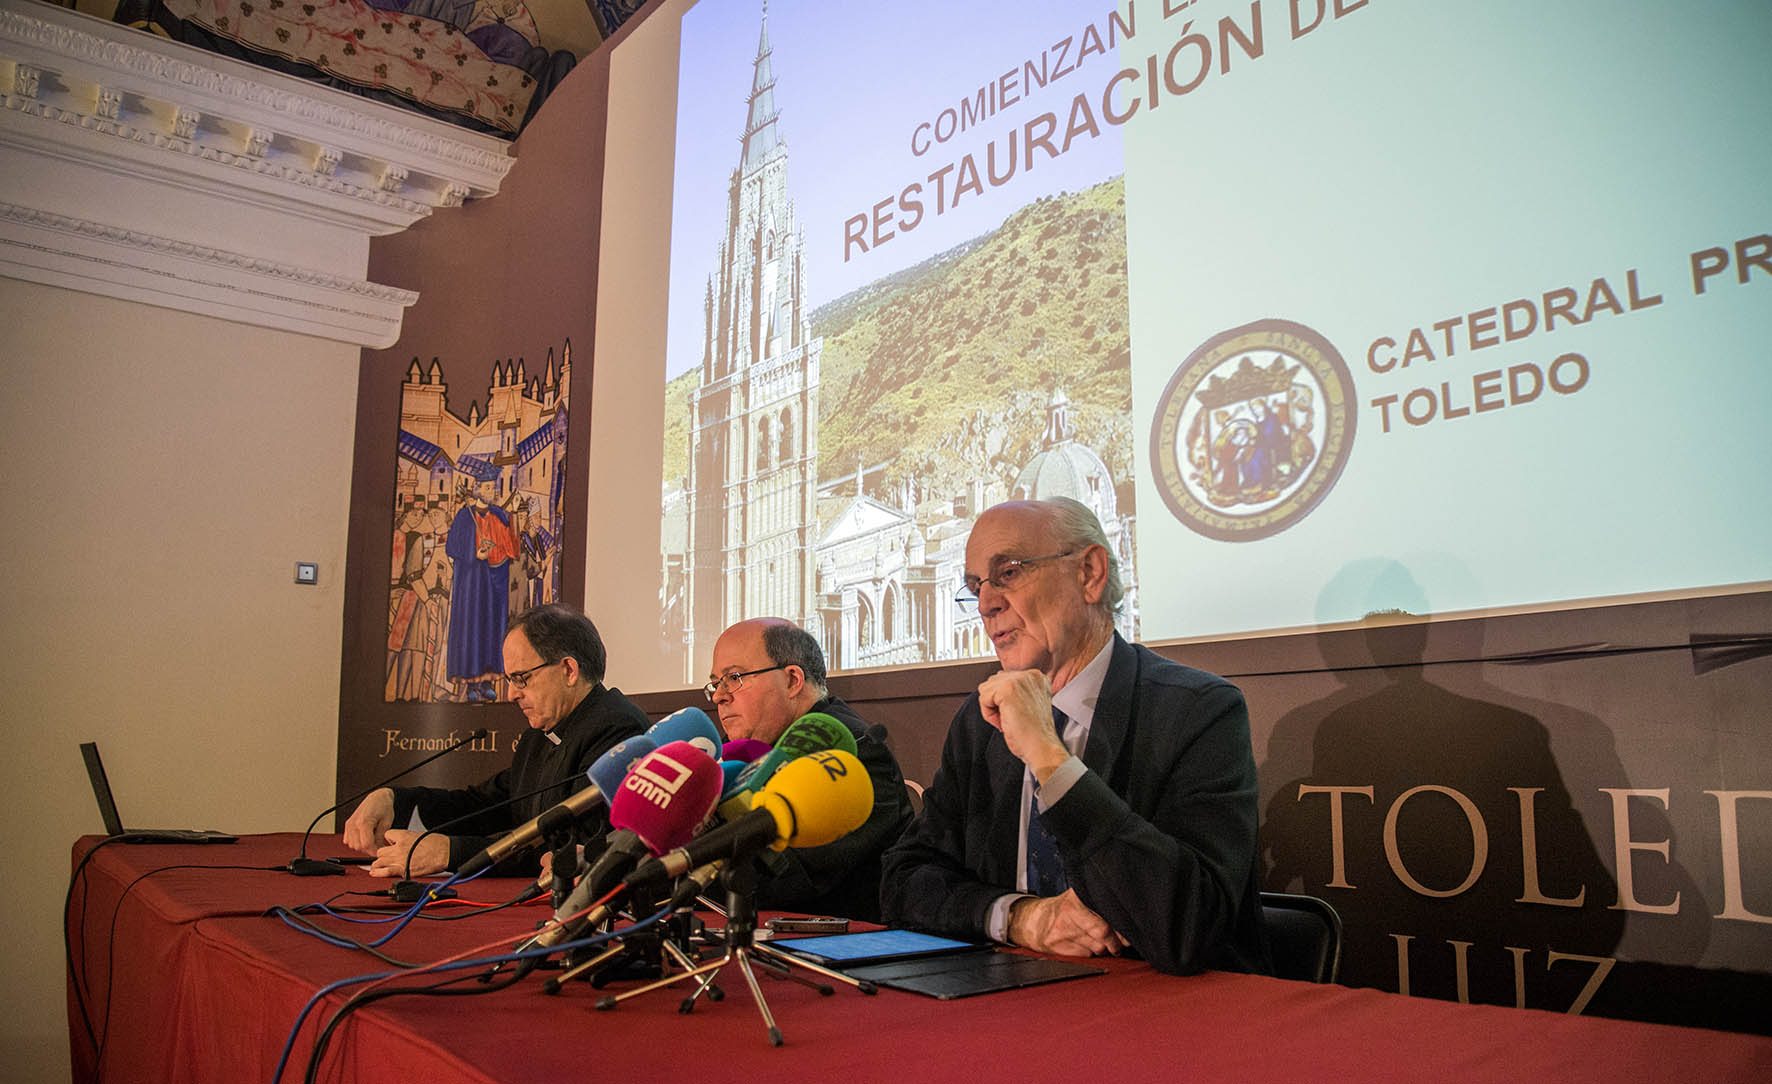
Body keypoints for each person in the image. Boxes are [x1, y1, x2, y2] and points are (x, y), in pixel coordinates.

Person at [880, 497, 1269, 975]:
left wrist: (1049, 757)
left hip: (1161, 1017)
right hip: (1008, 1007)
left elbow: (1191, 926)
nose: (985, 604)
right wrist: (1021, 918)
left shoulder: (1198, 711)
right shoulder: (978, 722)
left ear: (1089, 573)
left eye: (1009, 572)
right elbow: (904, 881)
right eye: (974, 586)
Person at [344, 604, 648, 878]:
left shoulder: (618, 730)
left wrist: (449, 853)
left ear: (568, 670)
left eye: (521, 678)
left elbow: (576, 849)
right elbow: (485, 805)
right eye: (510, 680)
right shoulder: (542, 734)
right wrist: (395, 800)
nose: (511, 694)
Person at [706, 617, 914, 922]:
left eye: (734, 677)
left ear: (792, 680)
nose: (718, 696)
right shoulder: (735, 754)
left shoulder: (852, 754)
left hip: (838, 955)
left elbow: (785, 879)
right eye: (715, 682)